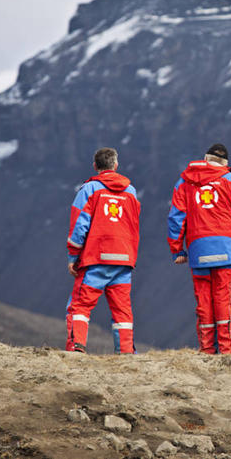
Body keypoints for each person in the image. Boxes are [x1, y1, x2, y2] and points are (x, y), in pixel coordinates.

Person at [167, 144, 231, 354]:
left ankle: (207, 350)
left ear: (205, 159)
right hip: (226, 251)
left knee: (204, 302)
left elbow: (175, 218)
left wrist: (177, 250)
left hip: (199, 252)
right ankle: (228, 352)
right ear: (225, 164)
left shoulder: (185, 181)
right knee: (224, 300)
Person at [66, 147, 141, 354]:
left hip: (95, 259)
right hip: (123, 258)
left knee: (80, 306)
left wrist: (73, 256)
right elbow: (134, 224)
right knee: (122, 310)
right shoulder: (131, 192)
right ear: (115, 166)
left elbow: (79, 226)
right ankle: (125, 353)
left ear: (95, 166)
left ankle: (76, 347)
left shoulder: (89, 190)